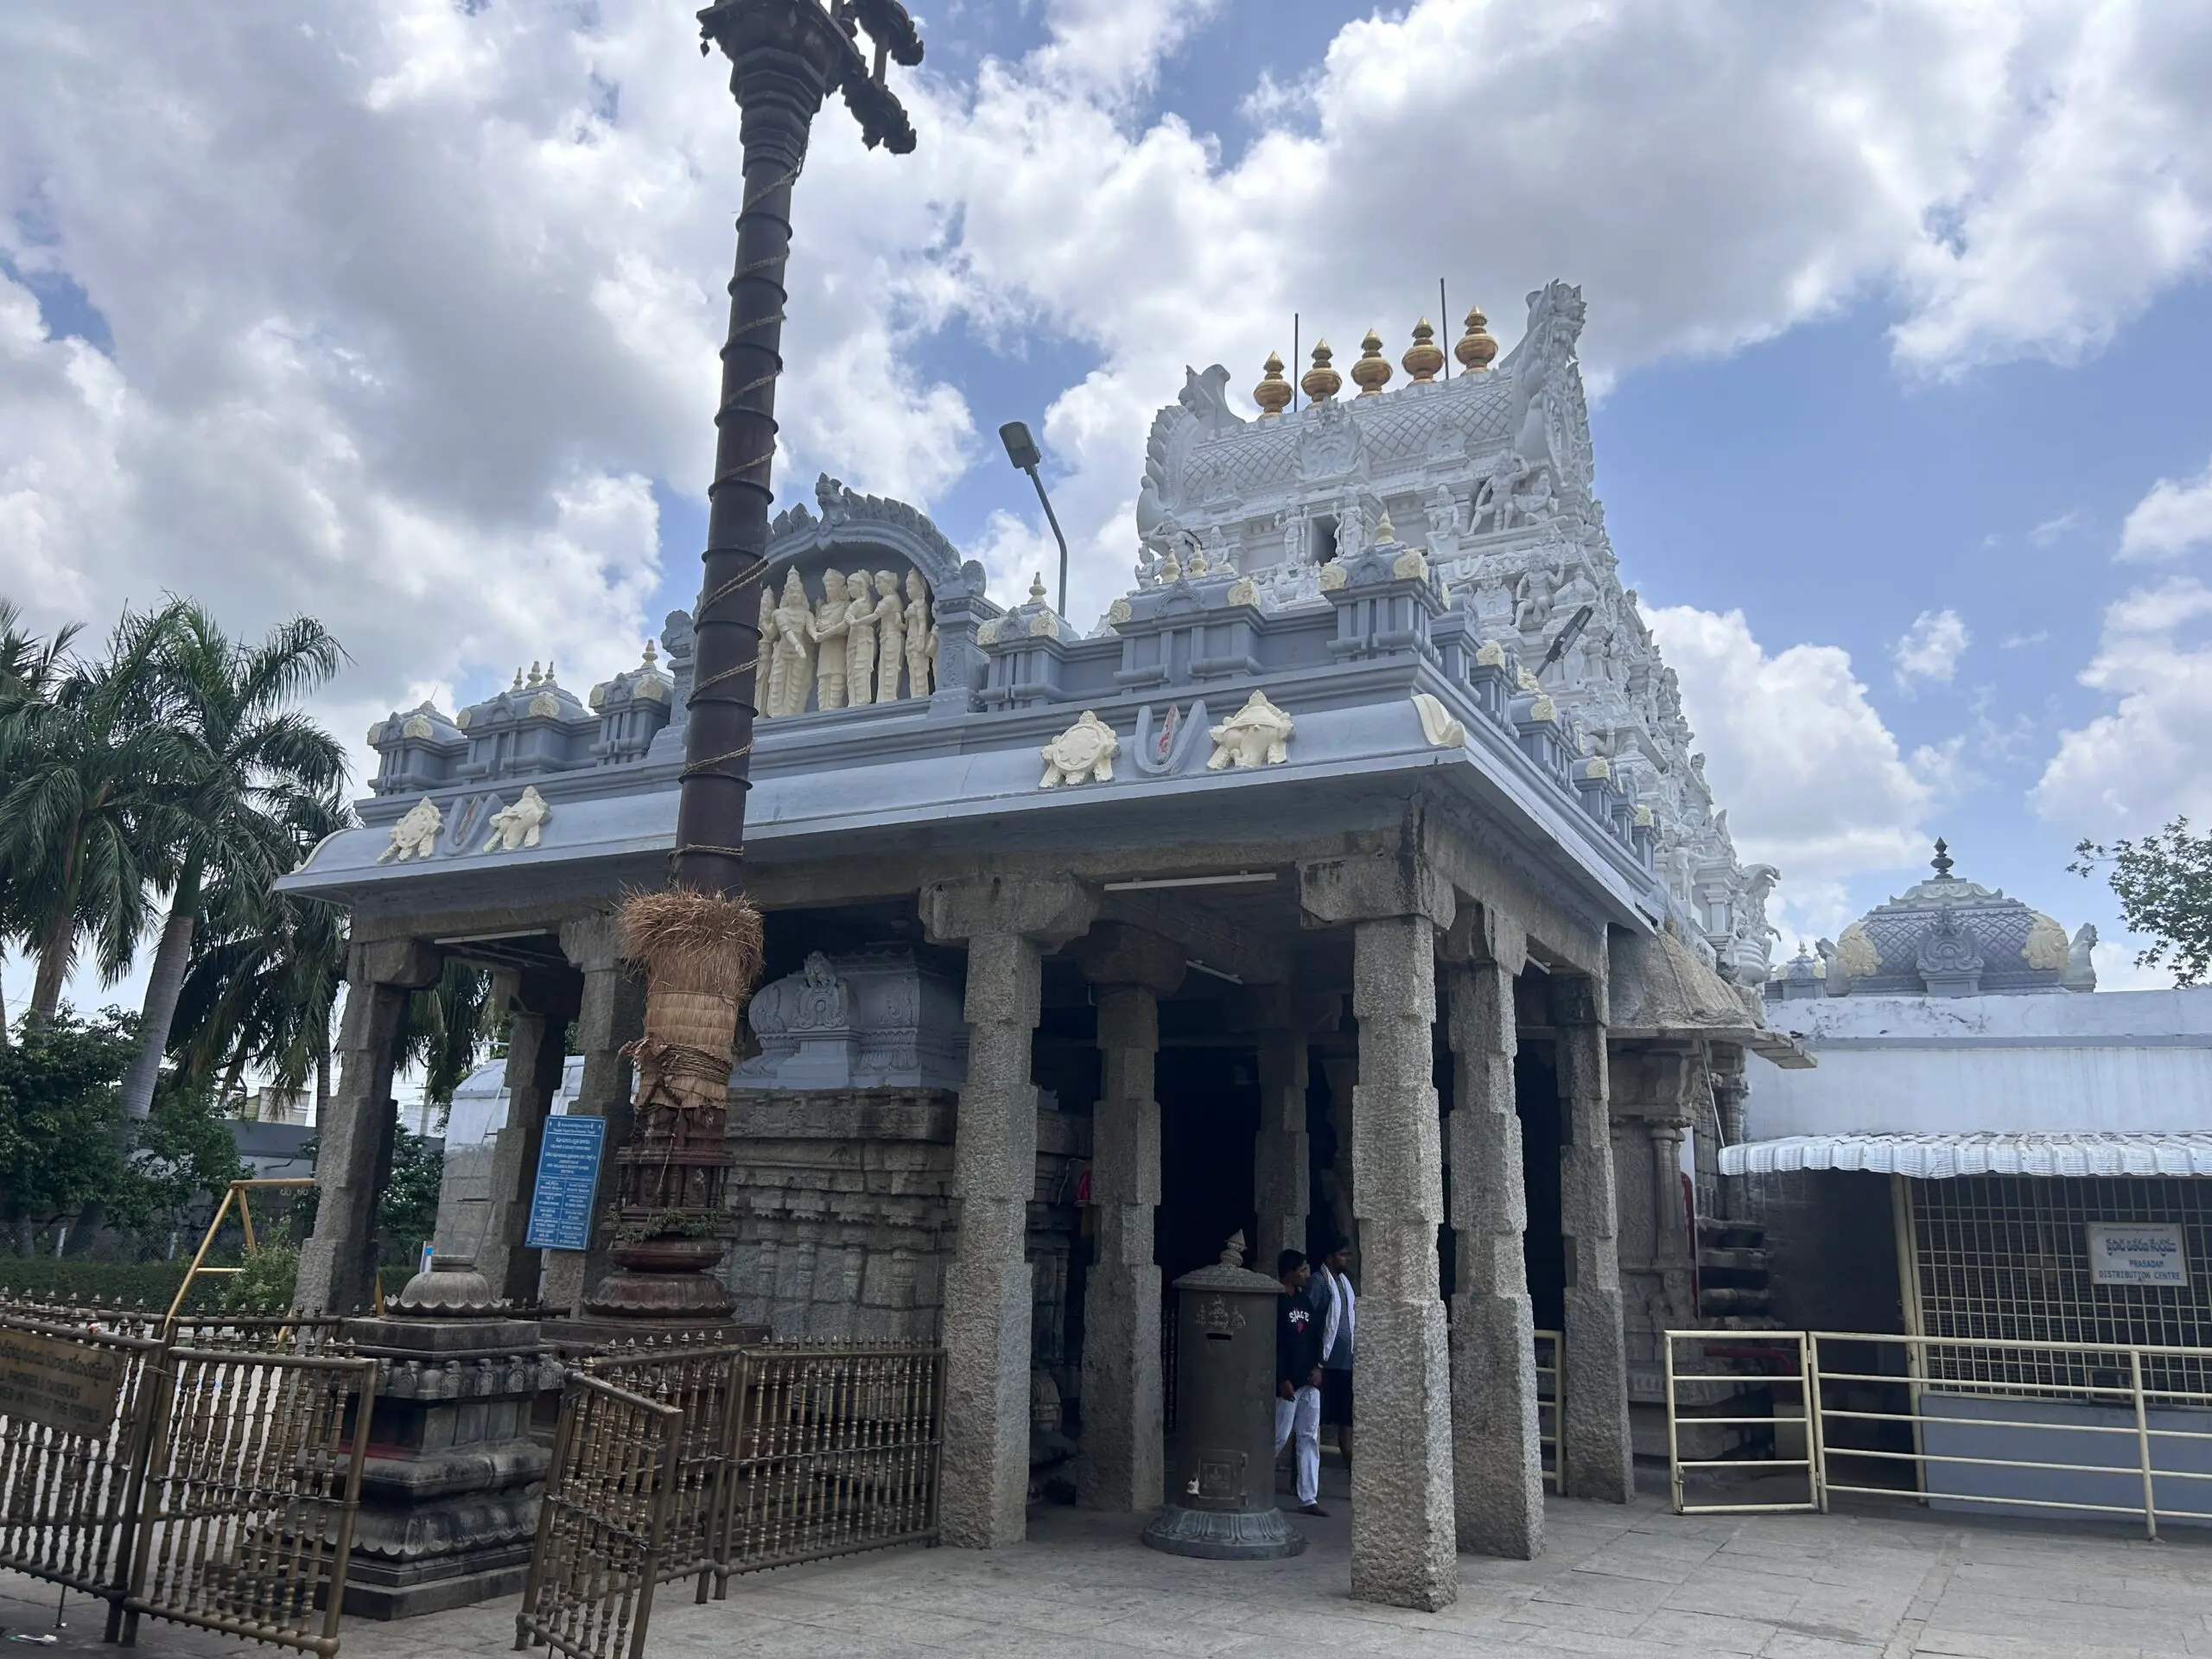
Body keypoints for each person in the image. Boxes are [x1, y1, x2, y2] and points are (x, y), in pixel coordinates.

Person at [1274, 1249, 1326, 1517]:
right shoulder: (1276, 1302)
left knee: (1309, 1437)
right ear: (1290, 1272)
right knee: (1279, 1436)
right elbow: (1272, 1344)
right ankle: (1253, 1484)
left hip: (1309, 1379)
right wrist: (1280, 1377)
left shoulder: (1306, 1302)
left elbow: (1314, 1336)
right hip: (1288, 1383)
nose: (1307, 1275)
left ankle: (1309, 1497)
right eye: (1303, 1270)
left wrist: (1318, 1367)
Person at [1313, 1243, 1357, 1471]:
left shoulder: (1345, 1284)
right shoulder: (1319, 1282)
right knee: (1311, 1424)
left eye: (1348, 1254)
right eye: (1342, 1254)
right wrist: (1314, 1362)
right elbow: (1311, 1321)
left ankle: (1353, 1476)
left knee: (1346, 1422)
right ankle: (1299, 1477)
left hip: (1345, 1364)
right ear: (1330, 1258)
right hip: (1323, 1364)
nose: (1346, 1259)